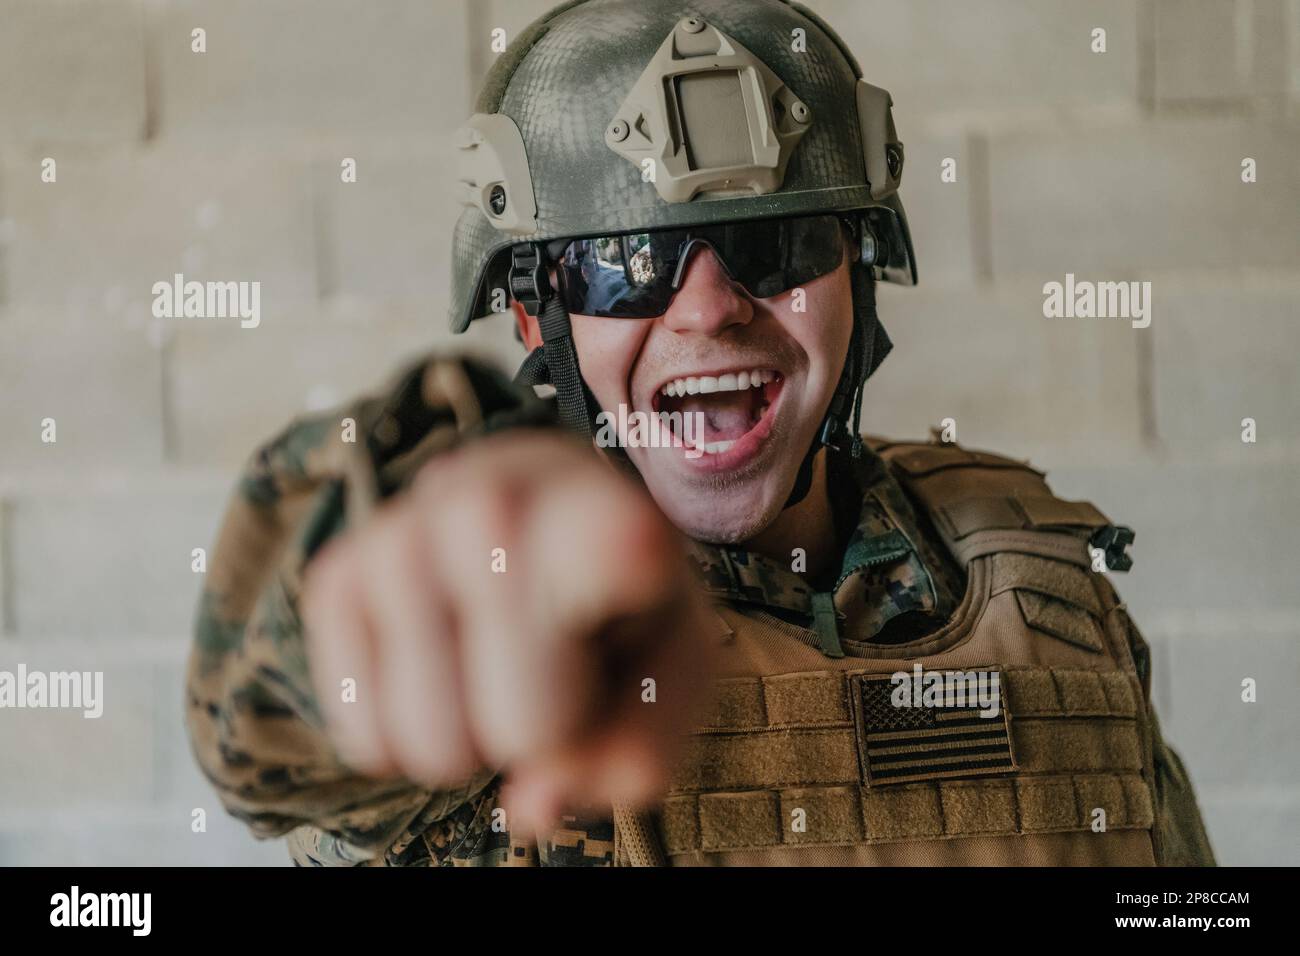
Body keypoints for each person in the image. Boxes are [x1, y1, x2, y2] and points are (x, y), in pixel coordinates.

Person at [186, 0, 1215, 866]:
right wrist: (384, 536)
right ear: (536, 314)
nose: (708, 308)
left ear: (858, 279)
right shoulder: (501, 620)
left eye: (774, 242)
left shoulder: (1040, 580)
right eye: (625, 260)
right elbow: (269, 732)